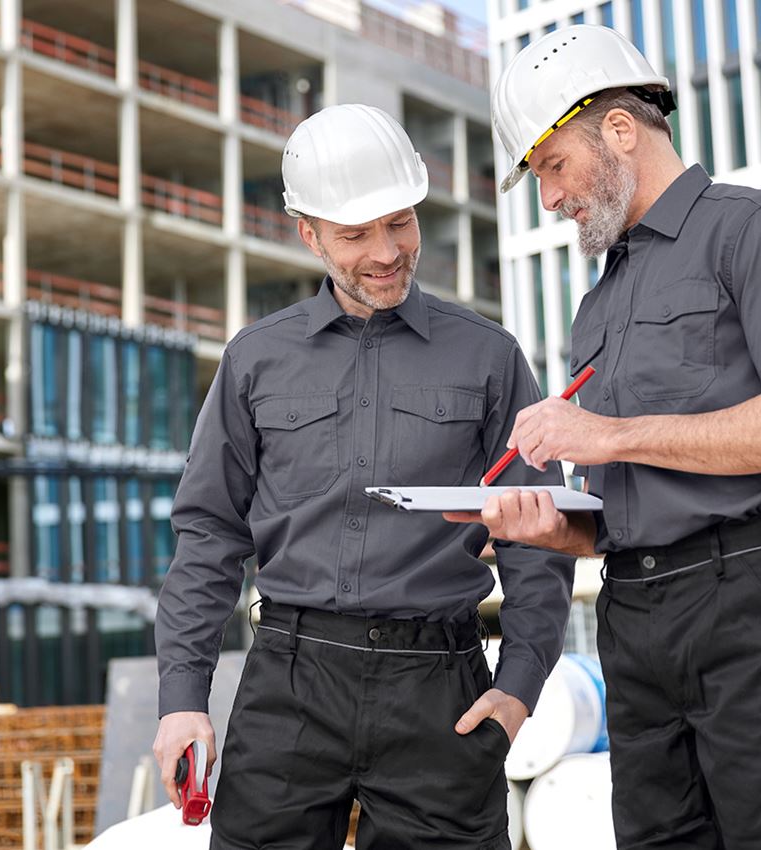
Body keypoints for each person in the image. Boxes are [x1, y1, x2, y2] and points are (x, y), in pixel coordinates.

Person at [446, 24, 761, 850]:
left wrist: (607, 434)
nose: (549, 199)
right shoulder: (598, 307)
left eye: (552, 166)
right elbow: (624, 507)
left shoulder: (757, 231)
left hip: (757, 607)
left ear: (617, 130)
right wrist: (546, 526)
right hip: (634, 620)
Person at [153, 103, 574, 850]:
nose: (386, 252)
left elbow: (539, 535)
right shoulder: (255, 360)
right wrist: (182, 699)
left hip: (438, 687)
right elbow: (209, 534)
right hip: (289, 681)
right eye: (355, 234)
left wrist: (519, 687)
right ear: (308, 232)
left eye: (400, 223)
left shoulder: (489, 356)